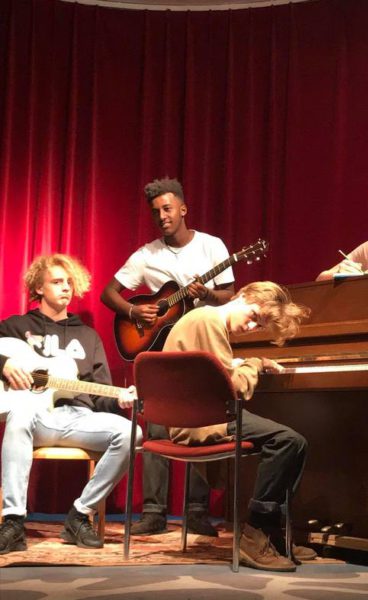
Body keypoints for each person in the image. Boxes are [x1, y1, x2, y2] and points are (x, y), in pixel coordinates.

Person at [101, 177, 235, 537]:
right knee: (157, 425)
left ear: (183, 209)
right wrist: (133, 311)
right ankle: (153, 512)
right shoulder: (147, 255)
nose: (162, 216)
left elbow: (230, 295)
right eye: (156, 211)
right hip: (160, 350)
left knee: (201, 422)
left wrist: (207, 294)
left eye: (168, 208)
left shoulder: (212, 246)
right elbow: (108, 293)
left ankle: (196, 512)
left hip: (200, 348)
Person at [162, 281, 314, 572]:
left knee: (294, 442)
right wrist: (255, 363)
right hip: (201, 421)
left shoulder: (203, 319)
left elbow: (215, 375)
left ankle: (271, 535)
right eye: (254, 316)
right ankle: (255, 535)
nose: (252, 327)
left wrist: (238, 363)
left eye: (259, 326)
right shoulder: (209, 320)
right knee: (289, 441)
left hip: (198, 415)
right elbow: (232, 389)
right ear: (242, 296)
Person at [0, 254, 141, 555]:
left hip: (79, 417)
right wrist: (4, 364)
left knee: (132, 433)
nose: (66, 287)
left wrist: (120, 399)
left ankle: (79, 515)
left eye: (68, 282)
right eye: (56, 281)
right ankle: (13, 521)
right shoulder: (16, 326)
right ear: (39, 288)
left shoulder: (88, 336)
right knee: (20, 414)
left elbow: (101, 395)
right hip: (34, 416)